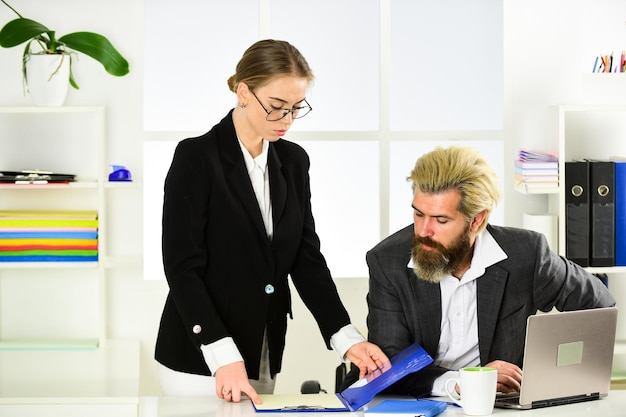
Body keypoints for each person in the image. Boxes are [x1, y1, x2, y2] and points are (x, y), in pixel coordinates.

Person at [154, 39, 388, 403]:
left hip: (263, 351)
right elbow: (182, 267)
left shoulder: (294, 162)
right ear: (243, 92)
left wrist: (347, 339)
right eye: (277, 107)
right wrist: (221, 353)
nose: (287, 120)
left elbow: (306, 258)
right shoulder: (196, 157)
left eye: (297, 108)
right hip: (199, 356)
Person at [363, 145, 615, 398]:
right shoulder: (387, 262)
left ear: (476, 220)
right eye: (418, 214)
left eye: (441, 220)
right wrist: (462, 382)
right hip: (422, 403)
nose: (424, 231)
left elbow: (600, 306)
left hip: (504, 407)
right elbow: (389, 368)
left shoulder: (526, 253)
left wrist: (540, 370)